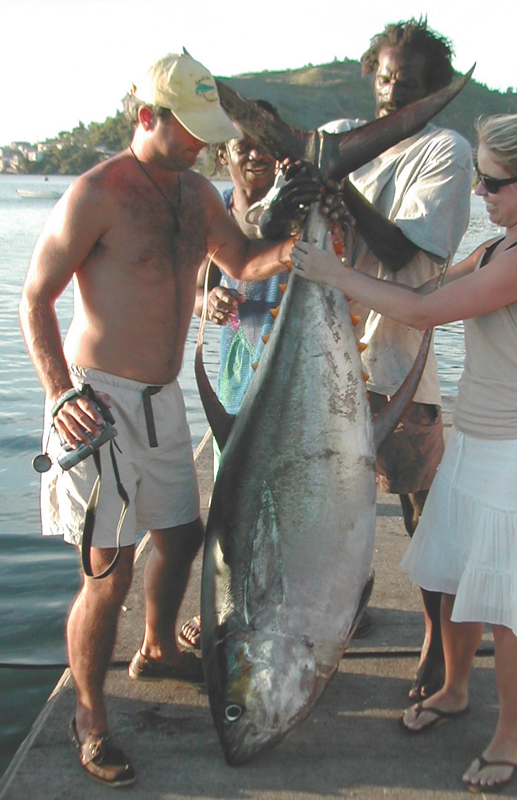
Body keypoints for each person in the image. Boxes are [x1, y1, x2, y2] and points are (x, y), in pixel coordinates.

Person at [291, 112, 517, 793]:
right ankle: (457, 689)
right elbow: (426, 289)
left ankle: (510, 736)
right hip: (480, 439)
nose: (482, 195)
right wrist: (341, 253)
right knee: (462, 577)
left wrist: (330, 274)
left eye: (493, 184)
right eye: (481, 182)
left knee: (506, 610)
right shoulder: (499, 247)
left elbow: (425, 314)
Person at [19, 51, 294, 788]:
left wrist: (297, 243)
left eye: (209, 132)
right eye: (188, 131)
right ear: (147, 116)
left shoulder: (199, 194)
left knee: (182, 532)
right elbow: (33, 300)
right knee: (107, 571)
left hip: (162, 398)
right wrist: (58, 395)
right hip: (96, 400)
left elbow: (243, 262)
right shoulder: (94, 193)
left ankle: (159, 648)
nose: (201, 145)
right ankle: (89, 714)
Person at [262, 17, 473, 685]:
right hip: (317, 363)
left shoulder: (446, 150)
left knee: (420, 509)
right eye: (382, 78)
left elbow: (402, 252)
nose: (388, 94)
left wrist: (337, 184)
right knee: (312, 506)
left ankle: (436, 644)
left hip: (394, 361)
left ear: (435, 92)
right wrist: (290, 195)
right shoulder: (343, 140)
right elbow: (265, 229)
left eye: (405, 85)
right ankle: (325, 618)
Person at [178, 102, 290, 653]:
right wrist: (210, 301)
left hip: (290, 377)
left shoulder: (294, 212)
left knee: (291, 495)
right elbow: (195, 288)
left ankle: (297, 597)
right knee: (230, 495)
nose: (252, 152)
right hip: (236, 378)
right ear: (223, 154)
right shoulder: (214, 212)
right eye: (241, 143)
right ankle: (225, 600)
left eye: (262, 142)